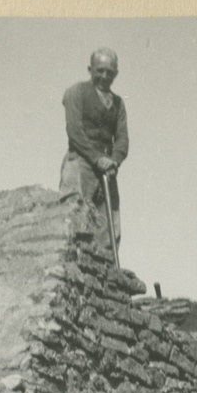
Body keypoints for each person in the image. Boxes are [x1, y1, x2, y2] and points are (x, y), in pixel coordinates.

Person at [59, 48, 128, 253]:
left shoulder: (118, 103)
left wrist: (114, 161)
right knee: (76, 217)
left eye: (109, 72)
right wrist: (98, 159)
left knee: (109, 228)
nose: (104, 76)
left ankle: (106, 274)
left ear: (115, 73)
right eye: (100, 71)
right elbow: (75, 131)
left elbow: (123, 138)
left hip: (107, 169)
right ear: (90, 69)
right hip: (81, 163)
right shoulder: (76, 92)